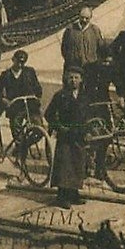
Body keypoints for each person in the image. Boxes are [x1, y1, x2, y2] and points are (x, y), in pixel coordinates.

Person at [45, 67, 90, 207]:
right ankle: (62, 196)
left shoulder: (84, 97)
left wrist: (88, 131)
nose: (73, 80)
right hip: (65, 135)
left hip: (79, 135)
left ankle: (74, 193)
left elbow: (90, 115)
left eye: (76, 77)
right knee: (65, 164)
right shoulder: (60, 95)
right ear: (66, 79)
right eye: (70, 77)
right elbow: (49, 114)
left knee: (78, 162)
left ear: (81, 79)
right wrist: (59, 127)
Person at [0, 50, 43, 139]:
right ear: (13, 60)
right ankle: (20, 146)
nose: (20, 65)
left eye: (22, 63)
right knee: (16, 128)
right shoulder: (6, 75)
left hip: (29, 106)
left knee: (39, 130)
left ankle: (24, 145)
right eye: (18, 62)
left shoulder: (29, 72)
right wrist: (4, 100)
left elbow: (38, 88)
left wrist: (37, 97)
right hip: (15, 107)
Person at [61, 7, 106, 90]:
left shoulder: (95, 30)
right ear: (79, 16)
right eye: (82, 17)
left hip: (90, 67)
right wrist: (71, 59)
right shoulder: (70, 29)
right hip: (74, 66)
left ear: (90, 18)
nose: (84, 20)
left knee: (90, 90)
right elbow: (64, 48)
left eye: (87, 18)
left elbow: (101, 48)